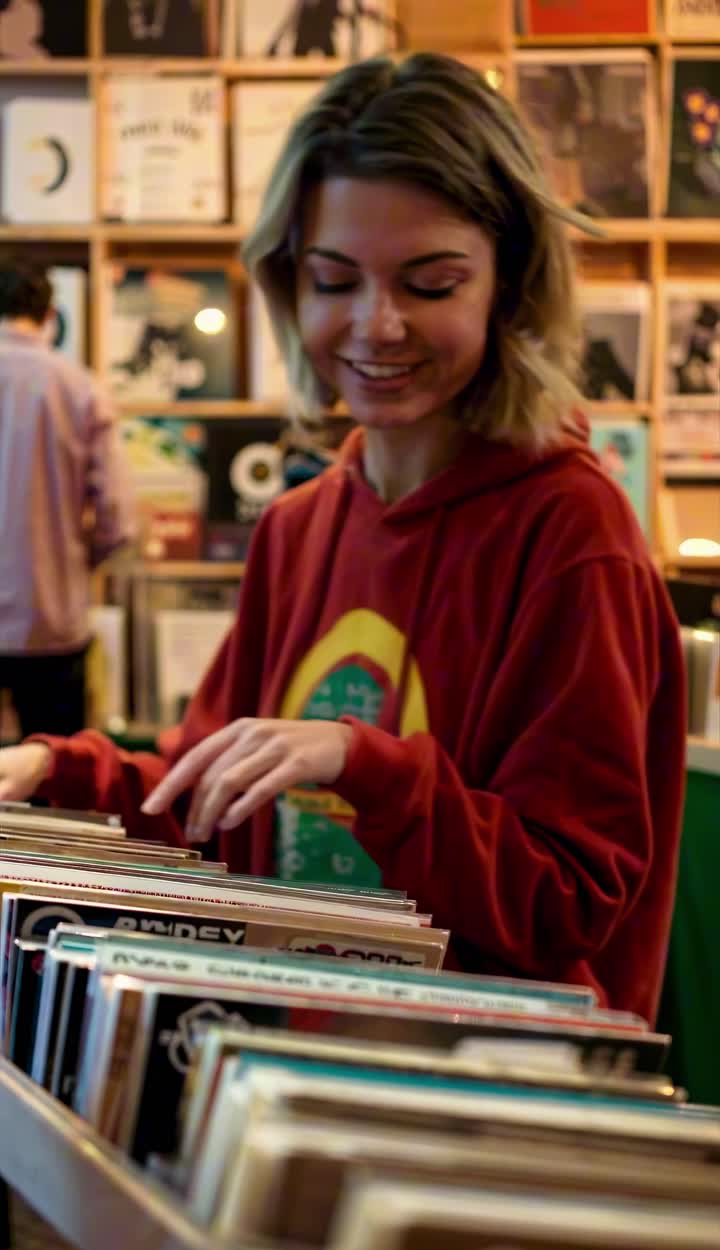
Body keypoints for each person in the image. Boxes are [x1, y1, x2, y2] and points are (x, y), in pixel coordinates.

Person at [0, 55, 685, 1023]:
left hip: (471, 1112)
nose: (377, 324)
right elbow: (216, 801)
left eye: (431, 282)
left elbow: (567, 901)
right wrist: (58, 773)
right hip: (284, 1067)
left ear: (509, 285)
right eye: (333, 279)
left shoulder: (573, 532)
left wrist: (362, 763)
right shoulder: (300, 525)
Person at [0, 257, 134, 737]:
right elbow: (118, 518)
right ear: (50, 315)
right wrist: (74, 562)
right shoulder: (80, 387)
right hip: (51, 619)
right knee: (53, 779)